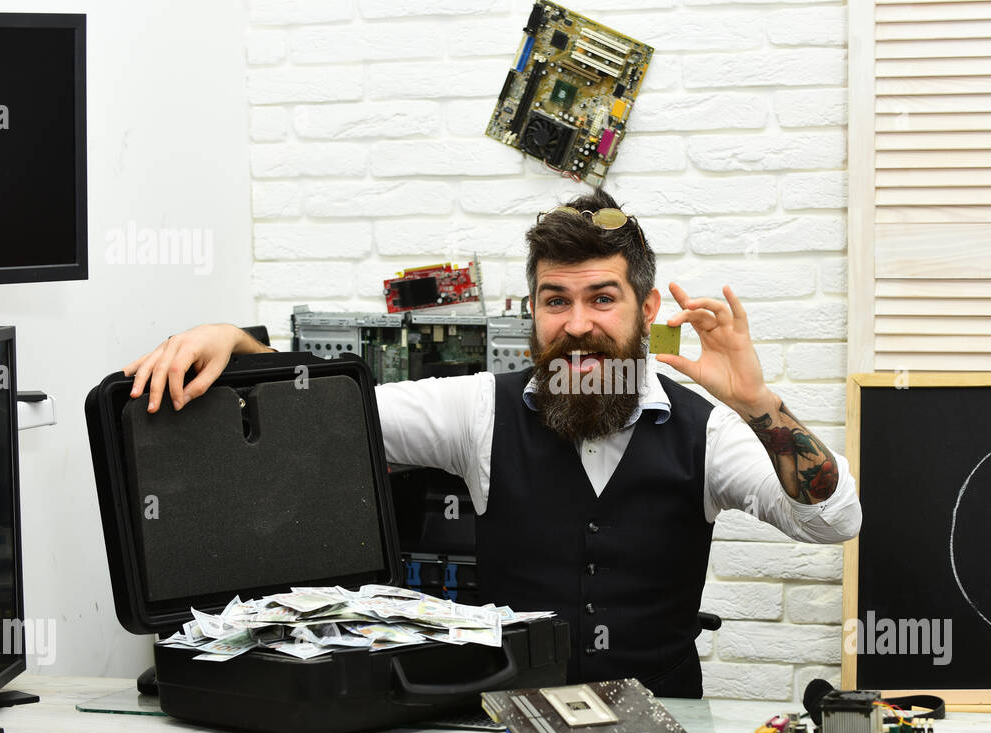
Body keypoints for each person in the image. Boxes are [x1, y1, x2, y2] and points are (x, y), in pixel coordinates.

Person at [123, 188, 861, 697]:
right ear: (533, 310)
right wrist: (242, 341)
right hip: (505, 721)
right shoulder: (481, 409)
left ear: (647, 309)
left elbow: (833, 519)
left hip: (665, 722)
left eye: (603, 298)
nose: (577, 325)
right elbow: (331, 416)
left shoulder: (708, 433)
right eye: (556, 300)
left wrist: (759, 403)